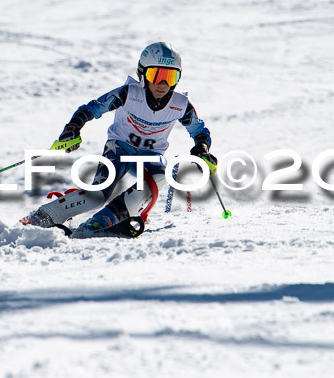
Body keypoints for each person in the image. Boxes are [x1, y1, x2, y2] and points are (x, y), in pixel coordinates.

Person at [20, 42, 217, 234]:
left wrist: (202, 150)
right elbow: (91, 108)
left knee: (160, 176)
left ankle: (100, 223)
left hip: (150, 157)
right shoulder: (129, 94)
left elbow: (199, 131)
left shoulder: (180, 104)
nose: (162, 83)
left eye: (170, 76)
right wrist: (73, 129)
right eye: (156, 74)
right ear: (142, 73)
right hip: (119, 150)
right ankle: (41, 217)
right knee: (97, 195)